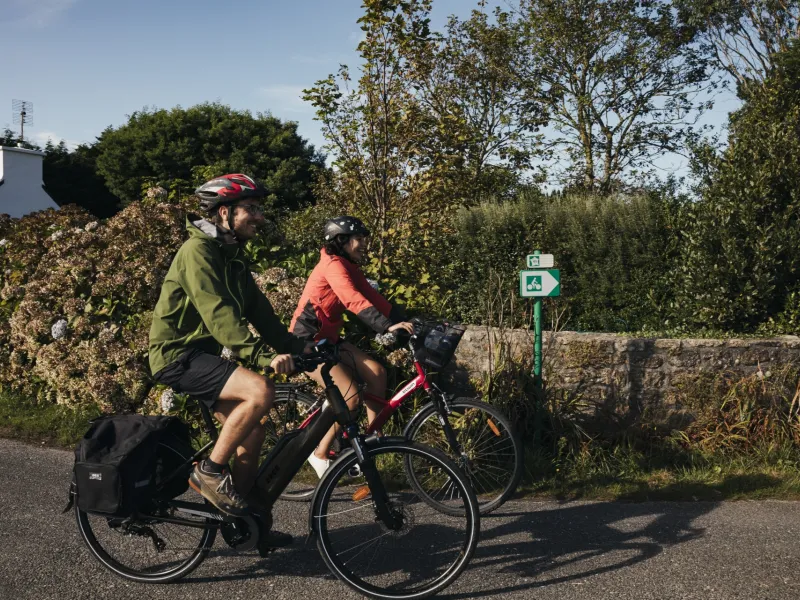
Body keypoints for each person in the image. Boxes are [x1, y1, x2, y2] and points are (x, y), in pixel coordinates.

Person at [148, 174, 308, 535]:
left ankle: (242, 524)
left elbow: (263, 317)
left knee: (252, 433)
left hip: (201, 357)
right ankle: (210, 472)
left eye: (259, 209)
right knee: (261, 391)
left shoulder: (233, 258)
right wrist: (261, 358)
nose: (259, 217)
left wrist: (304, 348)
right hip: (176, 355)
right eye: (251, 209)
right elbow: (218, 313)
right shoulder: (198, 252)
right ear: (225, 212)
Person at [290, 216, 414, 477]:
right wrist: (386, 326)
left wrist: (405, 320)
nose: (363, 245)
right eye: (359, 240)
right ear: (341, 241)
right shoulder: (333, 266)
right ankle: (319, 453)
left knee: (377, 374)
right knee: (350, 396)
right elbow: (352, 300)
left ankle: (370, 445)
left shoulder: (347, 265)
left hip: (329, 340)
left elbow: (374, 298)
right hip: (307, 342)